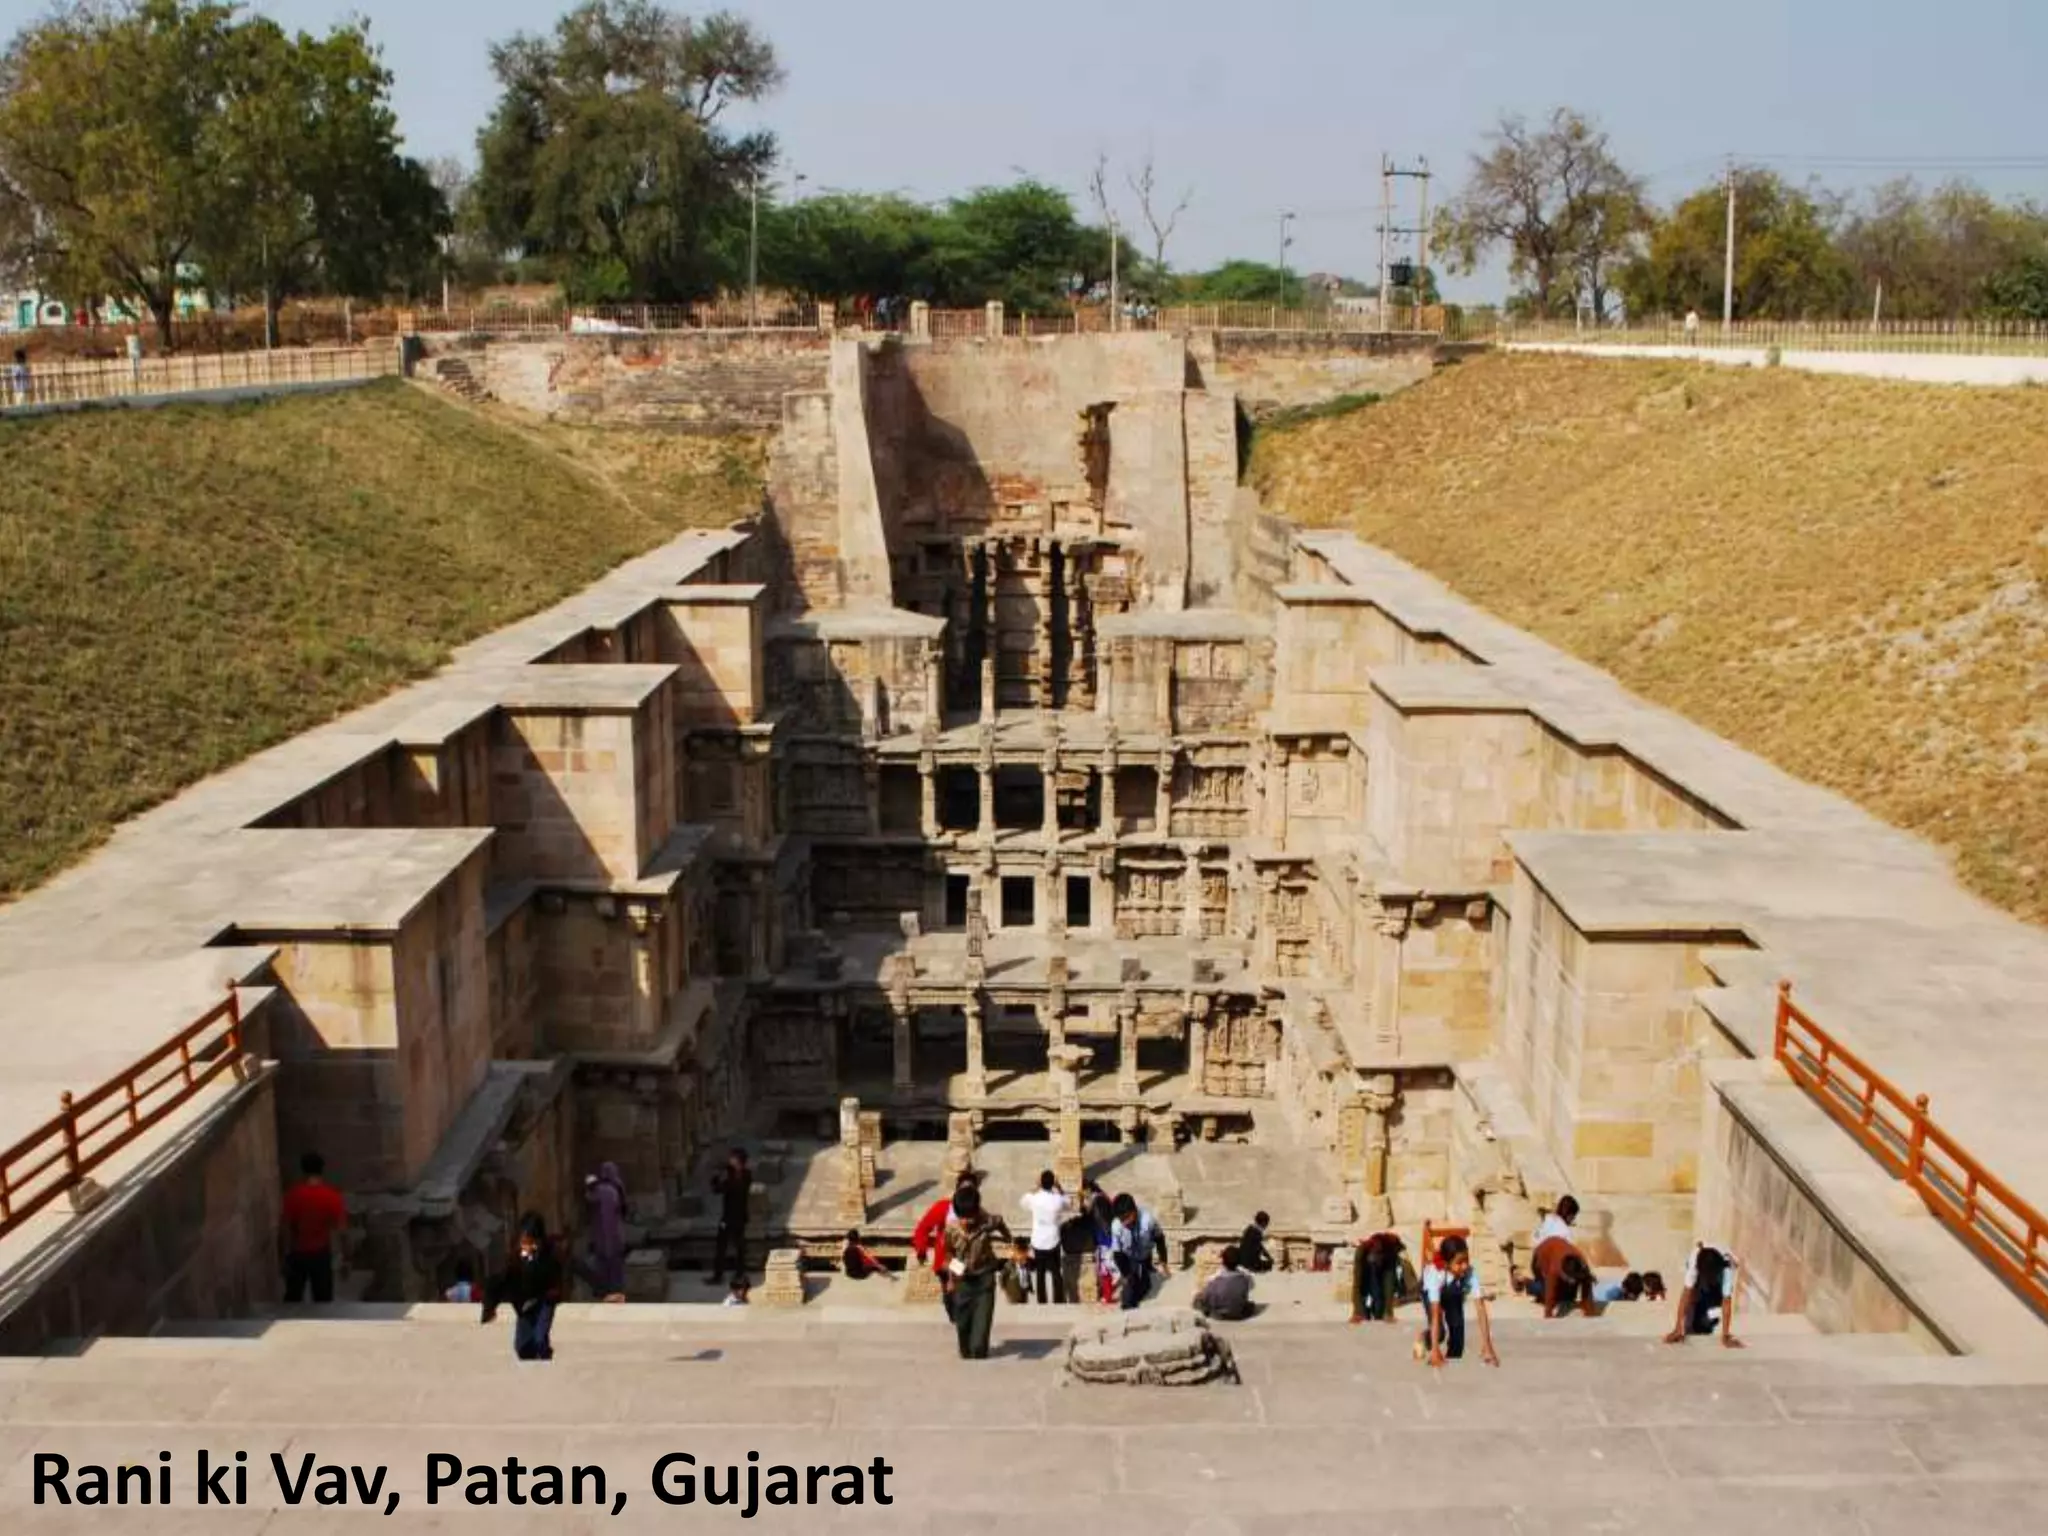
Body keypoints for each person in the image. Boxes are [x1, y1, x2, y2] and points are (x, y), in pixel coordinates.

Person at [942, 1183, 1012, 1360]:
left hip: (984, 1279)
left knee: (979, 1342)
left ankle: (979, 1352)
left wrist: (1006, 1237)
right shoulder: (951, 1229)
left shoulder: (986, 1222)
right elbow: (947, 1255)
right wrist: (953, 1276)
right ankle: (965, 1352)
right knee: (963, 1329)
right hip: (963, 1282)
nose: (966, 1222)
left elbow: (1000, 1222)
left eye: (970, 1217)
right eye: (963, 1217)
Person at [483, 1214, 563, 1361]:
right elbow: (498, 1283)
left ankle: (546, 1362)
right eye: (523, 1241)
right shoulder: (515, 1259)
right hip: (525, 1304)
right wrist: (489, 1309)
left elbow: (565, 1272)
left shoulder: (549, 1254)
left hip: (544, 1301)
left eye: (530, 1241)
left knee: (539, 1340)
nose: (525, 1245)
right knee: (522, 1348)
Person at [1417, 1234, 1498, 1369]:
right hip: (1431, 1292)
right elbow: (1436, 1312)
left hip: (1453, 1292)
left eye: (1466, 1260)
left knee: (1457, 1341)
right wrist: (1435, 1351)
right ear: (1447, 1263)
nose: (1465, 1266)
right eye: (1459, 1262)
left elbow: (1480, 1308)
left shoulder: (1469, 1272)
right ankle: (1423, 1338)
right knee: (1440, 1334)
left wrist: (1487, 1346)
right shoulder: (1434, 1274)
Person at [280, 1151, 347, 1304]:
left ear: (302, 1170)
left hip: (297, 1253)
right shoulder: (332, 1196)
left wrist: (284, 1257)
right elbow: (342, 1230)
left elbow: (285, 1228)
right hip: (320, 1254)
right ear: (322, 1170)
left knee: (293, 1298)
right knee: (323, 1298)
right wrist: (345, 1258)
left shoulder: (293, 1195)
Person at [912, 1171, 978, 1321]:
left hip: (968, 1260)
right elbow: (923, 1228)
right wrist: (921, 1249)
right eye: (964, 1189)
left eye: (971, 1190)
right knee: (952, 1295)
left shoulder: (978, 1212)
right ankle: (956, 1316)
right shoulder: (943, 1207)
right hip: (946, 1261)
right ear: (957, 1190)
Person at [1665, 1243, 1743, 1348]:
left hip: (1719, 1273)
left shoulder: (1727, 1269)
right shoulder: (1694, 1262)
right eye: (1707, 1276)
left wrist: (1725, 1335)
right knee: (1693, 1298)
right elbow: (1686, 1295)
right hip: (1702, 1269)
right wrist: (1678, 1327)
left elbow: (1726, 1301)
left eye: (1711, 1276)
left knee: (1713, 1307)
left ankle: (1706, 1316)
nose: (1709, 1279)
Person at [1019, 1169, 1074, 1304]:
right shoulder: (1057, 1200)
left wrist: (1036, 1187)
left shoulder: (1035, 1198)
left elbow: (1023, 1201)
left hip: (1038, 1240)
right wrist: (1060, 1188)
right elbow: (1069, 1202)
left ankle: (1042, 1301)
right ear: (1053, 1184)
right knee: (1056, 1272)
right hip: (1053, 1240)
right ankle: (1058, 1300)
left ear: (1041, 1182)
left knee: (1040, 1273)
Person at [1110, 1193, 1170, 1310]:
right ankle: (1128, 1308)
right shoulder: (1117, 1226)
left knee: (1144, 1285)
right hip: (1128, 1257)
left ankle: (1144, 1281)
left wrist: (1163, 1261)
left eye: (1126, 1218)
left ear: (1134, 1211)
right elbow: (1117, 1253)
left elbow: (1159, 1239)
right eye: (1121, 1219)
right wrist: (1126, 1275)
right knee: (1129, 1291)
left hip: (1144, 1255)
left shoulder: (1148, 1221)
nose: (1124, 1223)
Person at [707, 1148, 751, 1286]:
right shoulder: (745, 1175)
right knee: (738, 1246)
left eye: (732, 1158)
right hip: (739, 1217)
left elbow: (718, 1189)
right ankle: (738, 1273)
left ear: (738, 1161)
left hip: (729, 1218)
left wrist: (716, 1178)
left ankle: (719, 1276)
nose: (729, 1160)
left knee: (723, 1247)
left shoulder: (733, 1179)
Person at [585, 1162, 628, 1299]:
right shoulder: (612, 1190)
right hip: (611, 1236)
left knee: (607, 1267)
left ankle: (607, 1292)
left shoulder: (604, 1190)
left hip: (605, 1236)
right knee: (612, 1267)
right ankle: (613, 1292)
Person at [1530, 1234, 1597, 1318]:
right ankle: (1526, 1283)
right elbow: (1550, 1292)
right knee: (1545, 1292)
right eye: (1570, 1279)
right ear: (1563, 1273)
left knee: (1568, 1298)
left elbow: (1587, 1283)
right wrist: (1548, 1313)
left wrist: (1589, 1311)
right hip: (1540, 1256)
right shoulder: (1554, 1270)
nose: (1572, 1281)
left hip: (1557, 1248)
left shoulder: (1582, 1265)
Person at [1350, 1231, 1405, 1324]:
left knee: (1380, 1293)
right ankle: (1361, 1312)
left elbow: (1389, 1286)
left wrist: (1388, 1313)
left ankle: (1382, 1313)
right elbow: (1357, 1284)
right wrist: (1357, 1312)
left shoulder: (1390, 1253)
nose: (1377, 1257)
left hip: (1385, 1264)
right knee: (1365, 1287)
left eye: (1379, 1254)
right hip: (1368, 1266)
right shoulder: (1361, 1252)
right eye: (1376, 1254)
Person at [1193, 1246, 1255, 1321]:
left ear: (1223, 1261)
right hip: (1238, 1312)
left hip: (1220, 1314)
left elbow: (1207, 1294)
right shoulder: (1245, 1278)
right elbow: (1251, 1286)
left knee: (1198, 1299)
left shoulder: (1216, 1280)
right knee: (1249, 1305)